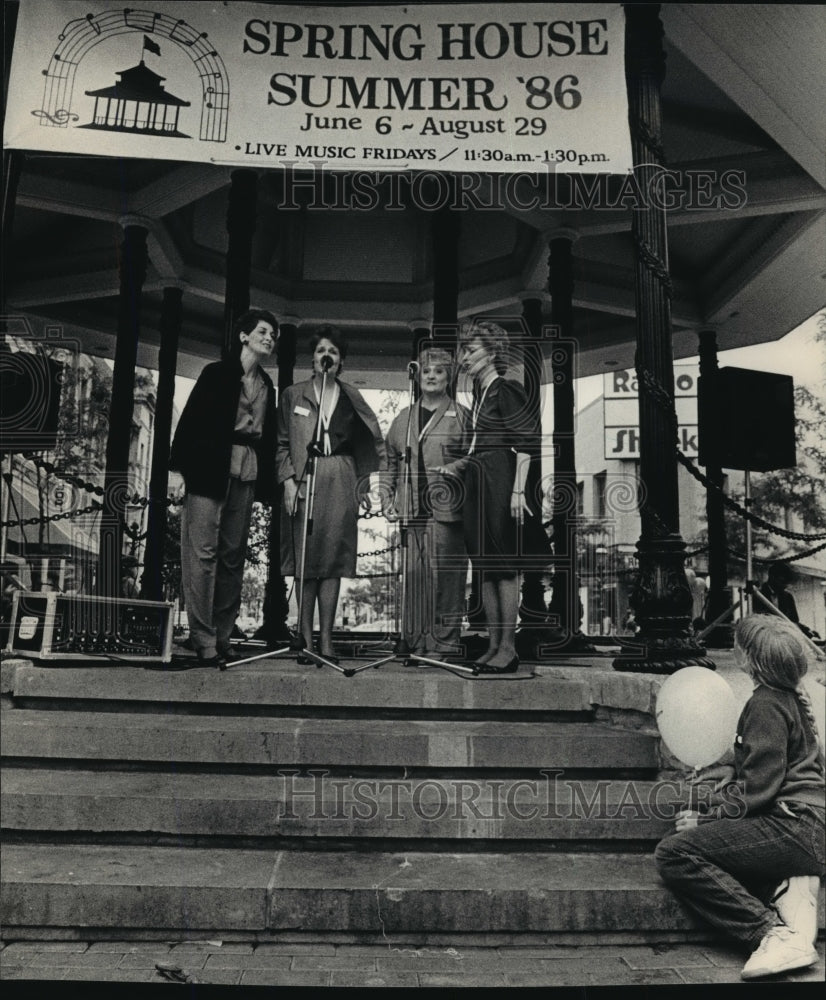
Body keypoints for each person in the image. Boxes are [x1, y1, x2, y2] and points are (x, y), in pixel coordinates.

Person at [655, 614, 824, 980]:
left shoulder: (764, 703)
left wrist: (707, 817)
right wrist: (734, 767)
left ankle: (774, 934)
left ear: (747, 659)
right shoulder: (787, 697)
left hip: (794, 825)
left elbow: (757, 790)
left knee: (675, 852)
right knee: (714, 846)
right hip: (807, 824)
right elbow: (774, 766)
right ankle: (783, 883)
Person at [169, 308, 278, 669]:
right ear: (243, 336)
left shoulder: (267, 386)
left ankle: (223, 635)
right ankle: (202, 638)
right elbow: (189, 424)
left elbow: (267, 436)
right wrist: (178, 472)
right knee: (202, 554)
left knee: (232, 557)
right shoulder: (215, 373)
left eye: (273, 334)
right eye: (263, 331)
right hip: (208, 468)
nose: (269, 338)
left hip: (246, 471)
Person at [436, 319, 545, 673]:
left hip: (501, 477)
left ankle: (508, 649)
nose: (463, 357)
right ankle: (494, 645)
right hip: (479, 477)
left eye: (470, 350)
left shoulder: (506, 388)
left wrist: (517, 491)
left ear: (492, 352)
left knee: (503, 565)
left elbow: (527, 440)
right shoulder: (482, 395)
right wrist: (459, 465)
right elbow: (482, 445)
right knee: (484, 566)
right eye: (463, 350)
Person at [277, 326, 385, 664]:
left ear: (340, 362)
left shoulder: (351, 396)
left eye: (334, 352)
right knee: (306, 561)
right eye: (323, 350)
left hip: (341, 475)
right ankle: (304, 639)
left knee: (333, 561)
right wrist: (288, 481)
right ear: (313, 357)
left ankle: (326, 640)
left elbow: (370, 441)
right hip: (305, 476)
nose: (328, 356)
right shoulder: (294, 394)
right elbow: (280, 443)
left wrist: (363, 484)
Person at [383, 346, 469, 661]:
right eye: (426, 371)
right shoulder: (403, 417)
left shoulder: (461, 415)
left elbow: (474, 459)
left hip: (446, 511)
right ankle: (414, 643)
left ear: (449, 377)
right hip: (410, 510)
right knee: (415, 580)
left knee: (446, 578)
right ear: (417, 376)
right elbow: (389, 459)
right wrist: (387, 496)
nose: (431, 376)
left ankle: (443, 645)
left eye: (439, 371)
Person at [758, 562, 819, 640]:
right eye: (782, 581)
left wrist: (807, 630)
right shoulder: (758, 595)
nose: (785, 586)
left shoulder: (788, 597)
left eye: (786, 583)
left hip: (785, 639)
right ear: (772, 577)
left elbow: (793, 622)